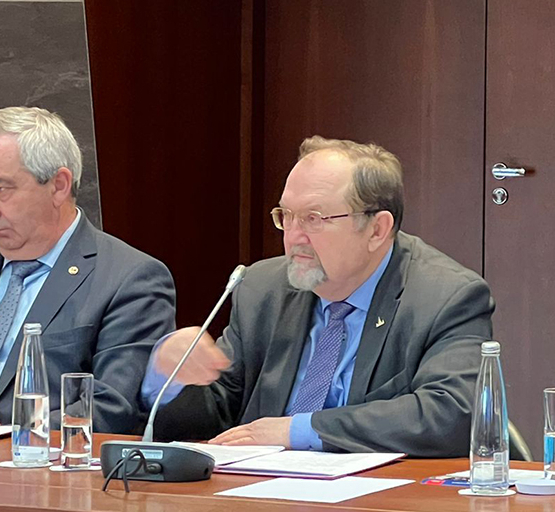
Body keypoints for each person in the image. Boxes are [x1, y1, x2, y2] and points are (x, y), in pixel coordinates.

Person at [143, 136, 494, 456]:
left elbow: (452, 412)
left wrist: (297, 431)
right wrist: (171, 378)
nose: (293, 236)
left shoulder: (445, 297)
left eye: (313, 218)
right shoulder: (262, 288)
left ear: (377, 229)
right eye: (286, 216)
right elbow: (216, 417)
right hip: (259, 489)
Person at [0, 107, 176, 433]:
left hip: (33, 460)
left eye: (1, 189)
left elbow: (113, 409)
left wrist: (1, 433)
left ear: (58, 185)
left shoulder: (129, 279)